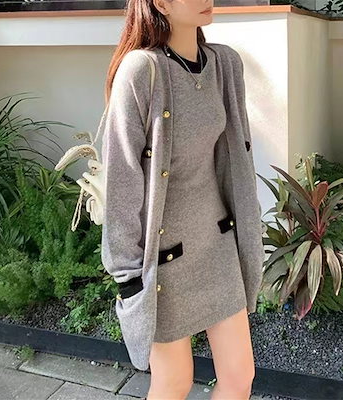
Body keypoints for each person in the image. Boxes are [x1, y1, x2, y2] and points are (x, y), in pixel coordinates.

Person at [101, 1, 265, 399]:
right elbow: (121, 180)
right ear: (161, 3)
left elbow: (237, 161)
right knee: (174, 382)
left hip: (219, 246)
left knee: (240, 376)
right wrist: (127, 274)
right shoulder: (142, 71)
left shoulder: (224, 65)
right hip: (165, 262)